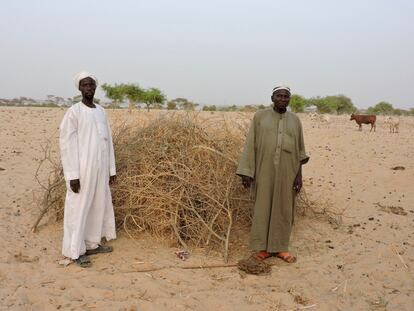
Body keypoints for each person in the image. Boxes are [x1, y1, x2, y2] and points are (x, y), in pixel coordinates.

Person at [237, 84, 309, 263]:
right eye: (279, 96)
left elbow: (300, 151)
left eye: (286, 96)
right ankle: (262, 249)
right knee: (263, 208)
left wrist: (299, 177)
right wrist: (247, 172)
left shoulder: (295, 120)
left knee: (284, 210)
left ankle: (280, 249)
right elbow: (250, 145)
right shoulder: (260, 117)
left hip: (288, 172)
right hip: (264, 170)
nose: (283, 99)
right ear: (272, 98)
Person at [60, 71, 117, 267]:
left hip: (100, 170)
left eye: (91, 85)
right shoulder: (74, 112)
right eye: (85, 85)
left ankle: (92, 244)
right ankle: (74, 252)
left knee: (98, 205)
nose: (89, 88)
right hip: (82, 169)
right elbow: (66, 145)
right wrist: (73, 175)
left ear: (95, 87)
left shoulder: (101, 111)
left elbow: (108, 142)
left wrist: (111, 170)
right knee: (79, 208)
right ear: (79, 88)